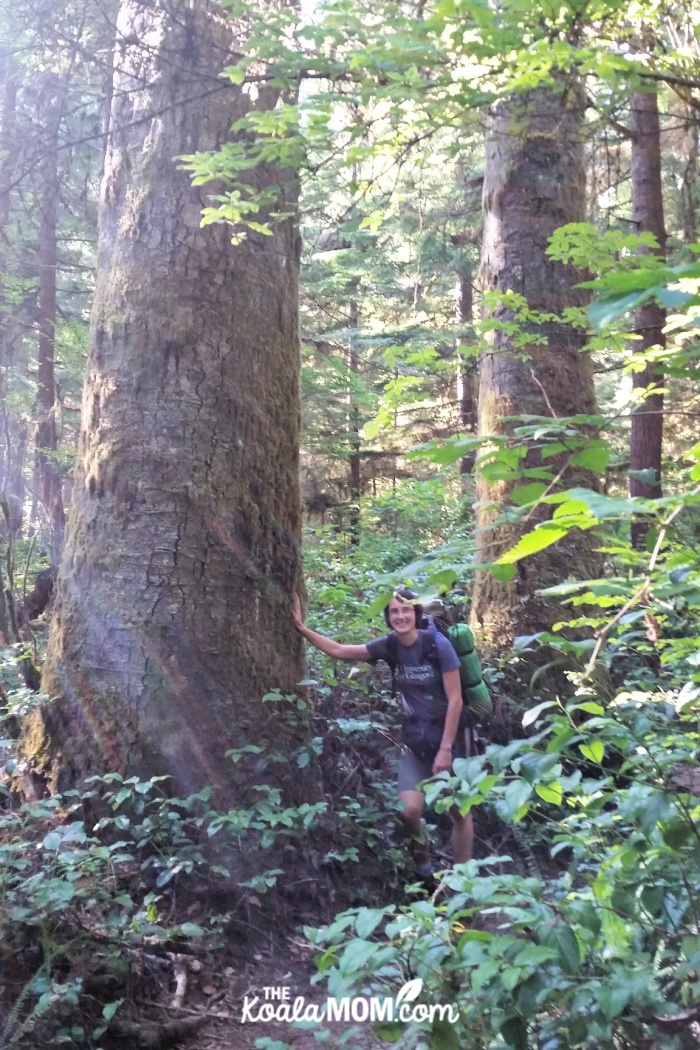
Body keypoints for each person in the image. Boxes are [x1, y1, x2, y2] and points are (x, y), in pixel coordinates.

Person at [291, 587, 473, 878]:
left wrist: (446, 749)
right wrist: (302, 629)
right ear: (388, 617)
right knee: (408, 812)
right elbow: (341, 651)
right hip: (415, 741)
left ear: (416, 612)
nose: (400, 616)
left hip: (448, 738)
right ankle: (425, 871)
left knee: (459, 812)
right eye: (393, 611)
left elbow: (456, 699)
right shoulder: (390, 646)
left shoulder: (437, 645)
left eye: (405, 609)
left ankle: (465, 884)